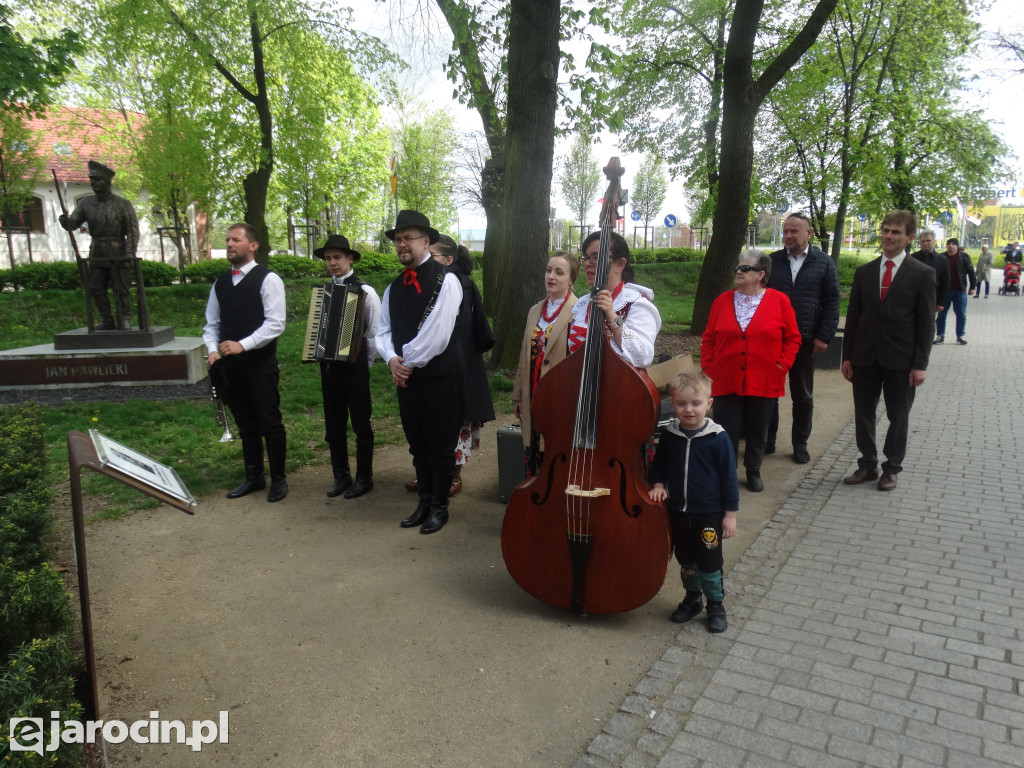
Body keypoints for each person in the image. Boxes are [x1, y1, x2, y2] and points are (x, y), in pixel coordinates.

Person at [375, 210, 464, 535]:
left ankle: (439, 508)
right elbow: (383, 331)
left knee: (440, 446)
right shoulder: (393, 287)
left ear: (426, 242)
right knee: (418, 445)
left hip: (440, 379)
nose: (402, 244)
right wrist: (390, 359)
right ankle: (424, 502)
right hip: (407, 379)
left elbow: (436, 335)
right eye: (398, 239)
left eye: (408, 238)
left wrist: (405, 363)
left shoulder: (447, 280)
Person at [841, 210, 935, 491]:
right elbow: (853, 317)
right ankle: (867, 465)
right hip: (865, 357)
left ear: (909, 238)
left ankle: (891, 468)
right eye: (885, 230)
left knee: (899, 417)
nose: (888, 236)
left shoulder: (922, 274)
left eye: (895, 232)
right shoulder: (865, 272)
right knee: (863, 414)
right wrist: (847, 356)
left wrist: (920, 365)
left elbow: (926, 323)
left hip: (901, 360)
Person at [700, 250, 801, 493]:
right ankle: (727, 472)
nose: (739, 271)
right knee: (726, 428)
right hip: (725, 376)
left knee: (758, 428)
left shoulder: (779, 301)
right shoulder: (722, 300)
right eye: (738, 267)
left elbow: (793, 339)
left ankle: (753, 470)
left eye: (745, 268)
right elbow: (708, 338)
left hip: (765, 377)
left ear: (760, 274)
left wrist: (781, 365)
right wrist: (708, 367)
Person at [203, 223, 288, 502]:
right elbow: (211, 324)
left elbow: (275, 324)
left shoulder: (269, 279)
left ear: (253, 246)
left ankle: (279, 479)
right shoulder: (221, 283)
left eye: (236, 240)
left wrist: (243, 344)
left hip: (260, 365)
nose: (229, 244)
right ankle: (254, 477)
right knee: (245, 424)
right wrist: (212, 349)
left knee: (270, 422)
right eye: (227, 239)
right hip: (230, 367)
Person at [647, 371, 738, 633]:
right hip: (678, 511)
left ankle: (715, 605)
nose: (688, 410)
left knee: (709, 561)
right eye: (681, 403)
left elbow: (729, 479)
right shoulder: (670, 435)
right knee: (686, 559)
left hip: (709, 513)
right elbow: (660, 465)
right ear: (673, 403)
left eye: (696, 403)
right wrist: (658, 485)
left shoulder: (718, 438)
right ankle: (692, 598)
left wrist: (730, 515)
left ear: (708, 404)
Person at [404, 235, 494, 495]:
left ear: (448, 260)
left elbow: (460, 333)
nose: (426, 259)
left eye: (432, 255)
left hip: (457, 365)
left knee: (455, 421)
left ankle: (453, 475)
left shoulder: (459, 284)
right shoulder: (427, 281)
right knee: (429, 421)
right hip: (430, 365)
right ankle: (428, 473)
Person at [766, 212, 840, 465]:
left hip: (805, 341)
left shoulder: (824, 262)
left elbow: (832, 301)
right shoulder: (772, 261)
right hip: (774, 340)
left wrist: (824, 336)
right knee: (769, 394)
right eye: (785, 231)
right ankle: (767, 440)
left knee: (803, 395)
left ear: (808, 233)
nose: (788, 236)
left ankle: (800, 444)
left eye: (794, 231)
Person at [313, 234, 380, 500]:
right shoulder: (324, 292)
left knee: (361, 424)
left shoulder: (366, 291)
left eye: (337, 257)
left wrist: (365, 364)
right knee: (333, 424)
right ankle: (341, 475)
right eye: (328, 258)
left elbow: (375, 333)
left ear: (350, 258)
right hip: (329, 370)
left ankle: (365, 477)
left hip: (355, 369)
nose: (332, 263)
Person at [512, 252, 579, 474]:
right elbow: (524, 355)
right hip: (532, 391)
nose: (551, 276)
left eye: (559, 272)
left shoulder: (579, 312)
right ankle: (534, 490)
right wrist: (519, 395)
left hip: (559, 394)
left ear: (571, 279)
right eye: (549, 270)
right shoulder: (535, 310)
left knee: (555, 450)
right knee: (533, 445)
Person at [58, 160, 140, 330]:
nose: (93, 183)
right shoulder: (86, 203)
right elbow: (73, 224)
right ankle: (106, 319)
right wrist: (66, 221)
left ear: (107, 181)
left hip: (118, 252)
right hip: (97, 252)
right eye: (91, 179)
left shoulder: (123, 204)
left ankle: (124, 317)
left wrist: (129, 254)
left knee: (121, 289)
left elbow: (132, 232)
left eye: (97, 179)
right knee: (95, 287)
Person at [568, 231, 661, 367]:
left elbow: (644, 357)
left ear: (620, 264)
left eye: (595, 257)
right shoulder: (581, 304)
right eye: (586, 258)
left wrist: (612, 318)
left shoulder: (636, 304)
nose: (587, 264)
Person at [934, 237, 976, 345]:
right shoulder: (941, 257)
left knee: (961, 314)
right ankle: (940, 335)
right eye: (949, 244)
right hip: (944, 291)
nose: (951, 246)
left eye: (953, 244)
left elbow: (971, 271)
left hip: (959, 290)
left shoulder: (964, 257)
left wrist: (972, 287)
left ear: (957, 246)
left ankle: (960, 336)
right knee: (941, 314)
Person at [909, 229, 949, 316]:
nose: (925, 243)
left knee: (928, 322)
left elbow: (945, 283)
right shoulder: (912, 258)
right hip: (914, 299)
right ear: (919, 243)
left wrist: (941, 302)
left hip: (932, 299)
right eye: (923, 241)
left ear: (934, 242)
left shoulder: (942, 260)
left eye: (928, 241)